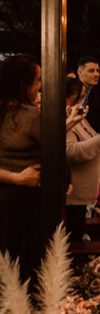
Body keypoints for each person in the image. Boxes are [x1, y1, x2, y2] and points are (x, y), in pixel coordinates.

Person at [0, 54, 44, 284]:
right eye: (38, 80)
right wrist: (18, 178)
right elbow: (59, 155)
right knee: (23, 270)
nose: (40, 86)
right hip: (23, 206)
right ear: (22, 84)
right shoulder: (32, 117)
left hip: (7, 198)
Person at [64, 77, 100, 238]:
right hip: (73, 195)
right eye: (81, 96)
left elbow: (93, 139)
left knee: (78, 231)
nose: (85, 100)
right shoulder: (66, 119)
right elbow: (70, 151)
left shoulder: (79, 117)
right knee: (73, 237)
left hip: (84, 193)